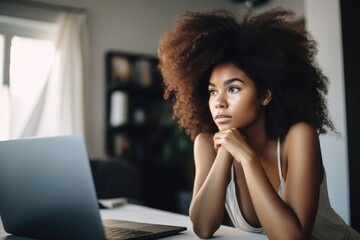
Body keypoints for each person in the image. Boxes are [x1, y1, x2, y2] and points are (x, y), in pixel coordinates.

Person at [157, 7, 360, 240]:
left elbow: (291, 237)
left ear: (265, 95)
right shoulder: (206, 143)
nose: (219, 103)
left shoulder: (299, 137)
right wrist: (226, 152)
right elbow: (203, 228)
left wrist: (247, 158)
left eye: (233, 89)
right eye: (213, 92)